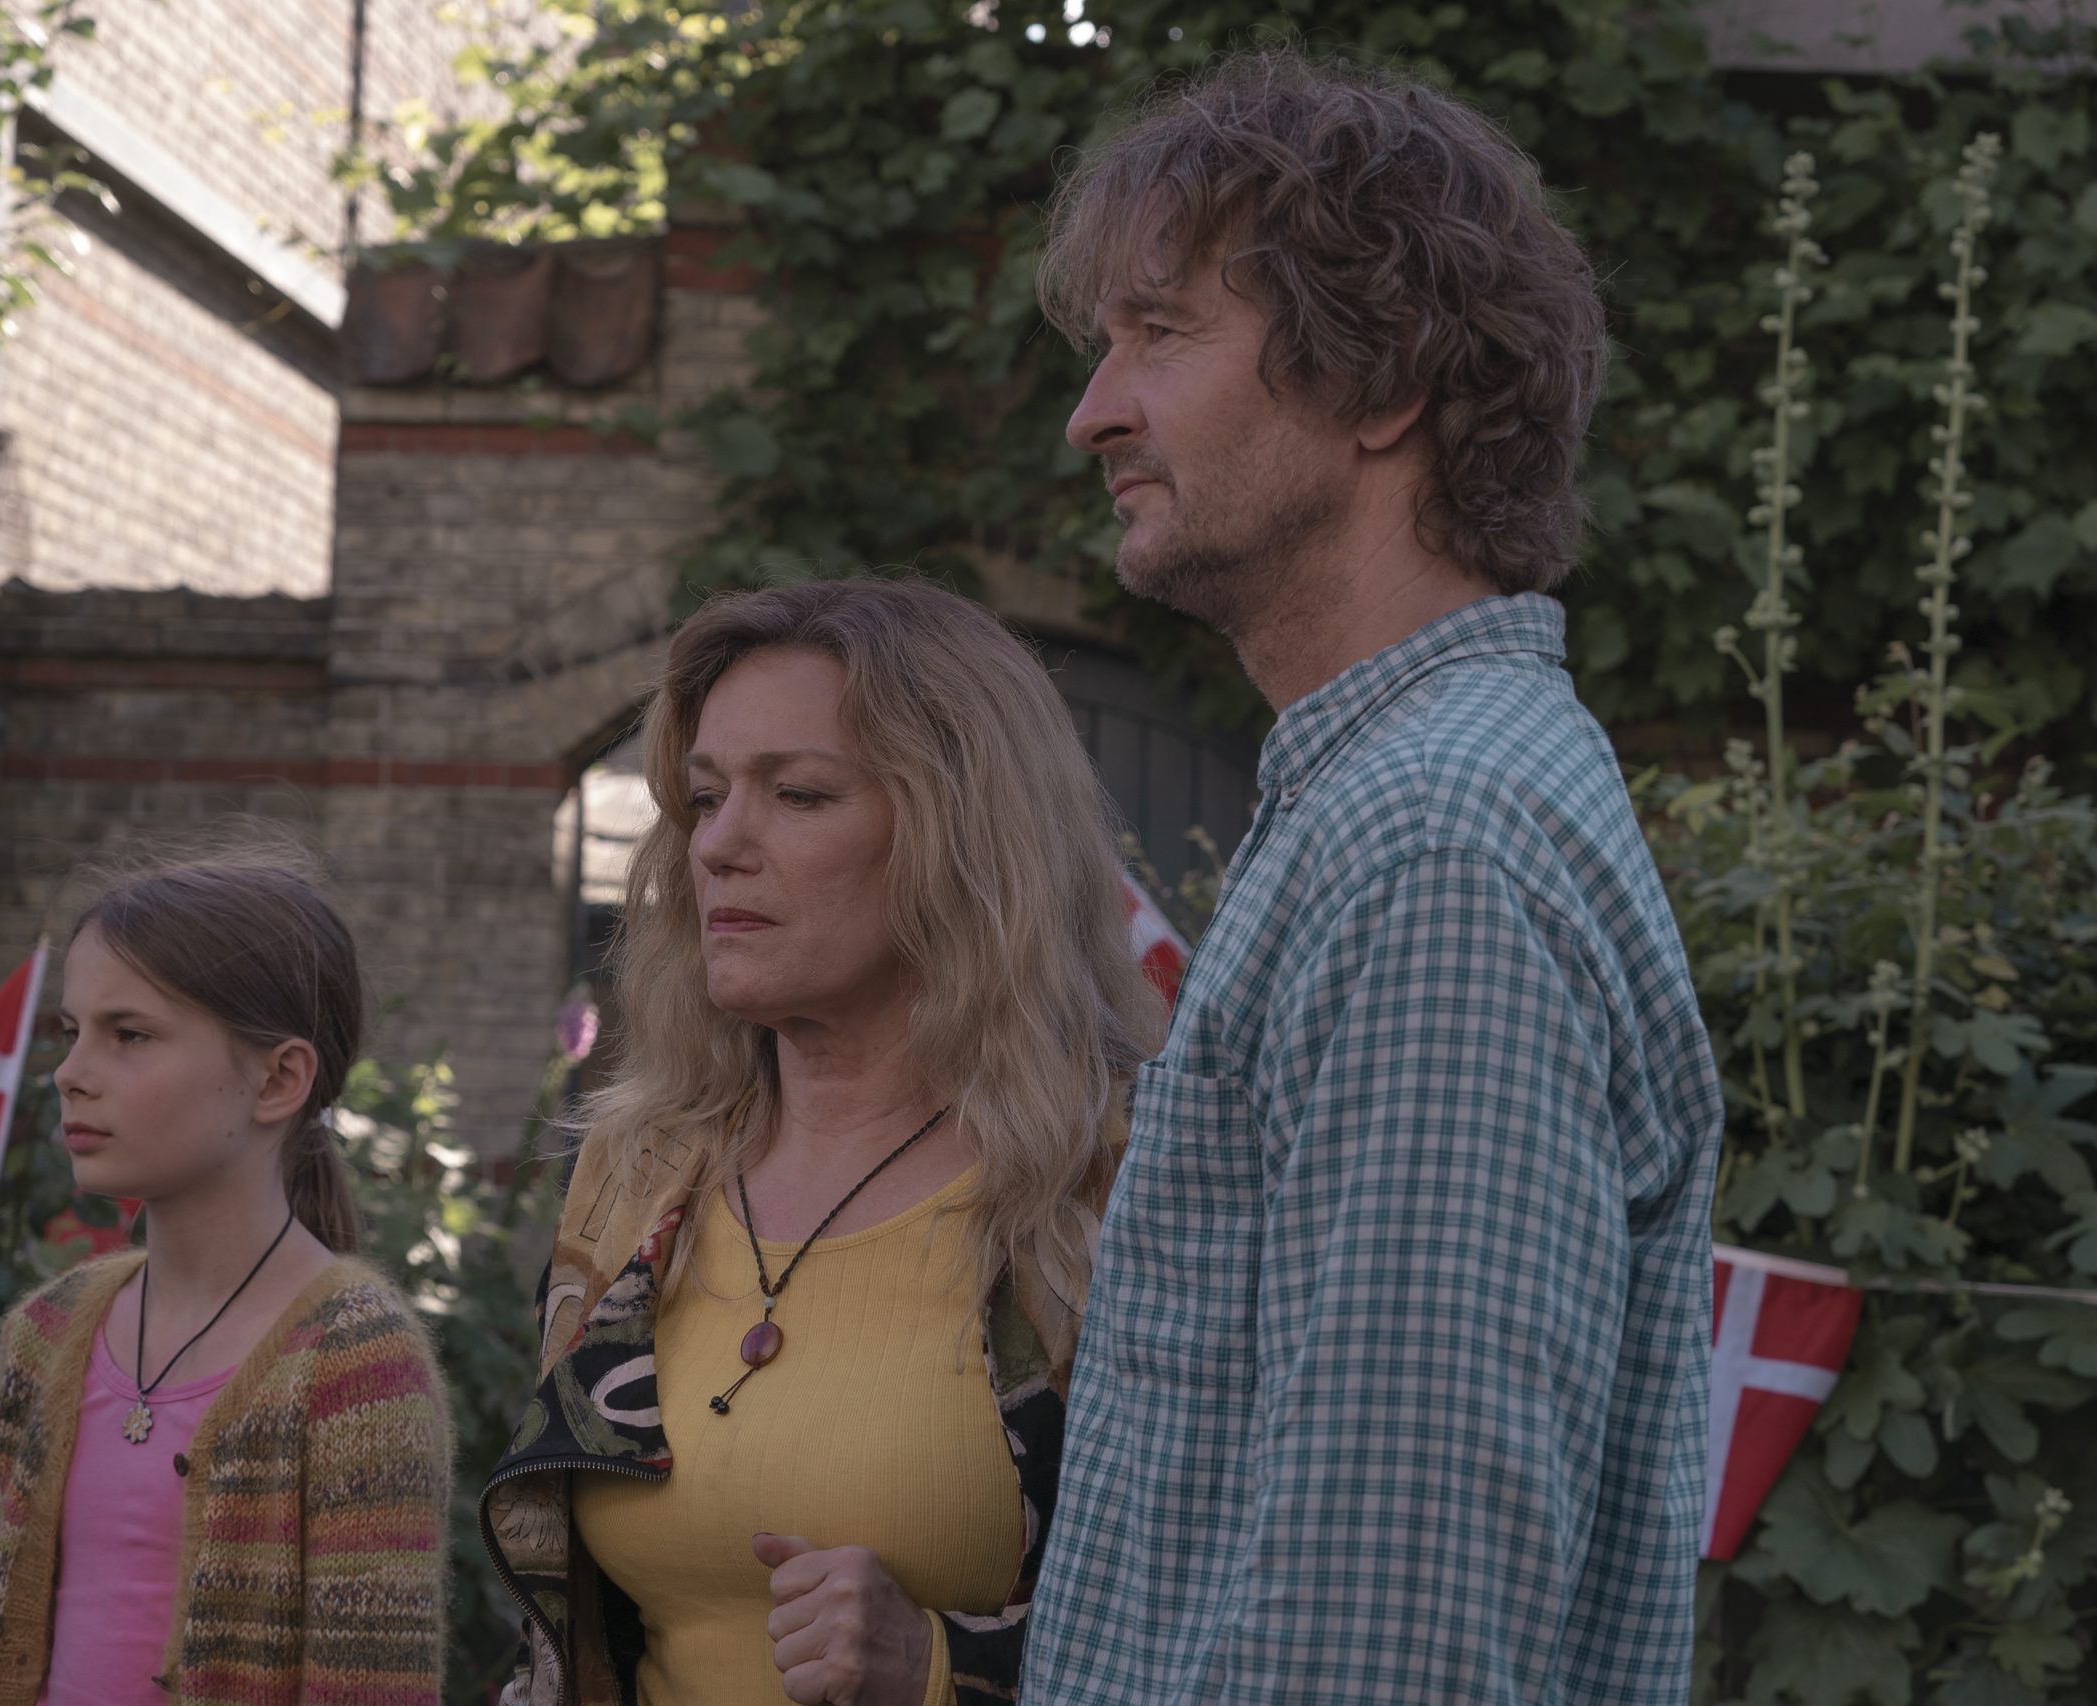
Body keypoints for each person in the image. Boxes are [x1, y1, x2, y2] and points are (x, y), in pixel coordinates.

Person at [1018, 48, 1723, 1706]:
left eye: (1161, 332)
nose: (1093, 410)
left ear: (1382, 382)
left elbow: (1393, 1632)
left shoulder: (1430, 848)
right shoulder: (1395, 802)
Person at [484, 578, 1166, 1706]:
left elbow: (1224, 1616)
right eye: (705, 798)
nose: (718, 845)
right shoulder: (641, 1166)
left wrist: (937, 1670)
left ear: (965, 835)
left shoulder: (1118, 1177)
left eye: (798, 794)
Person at [0, 859, 451, 1706]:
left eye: (129, 1035)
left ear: (278, 1080)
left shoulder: (353, 1364)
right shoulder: (46, 1334)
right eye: (72, 1031)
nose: (70, 1072)